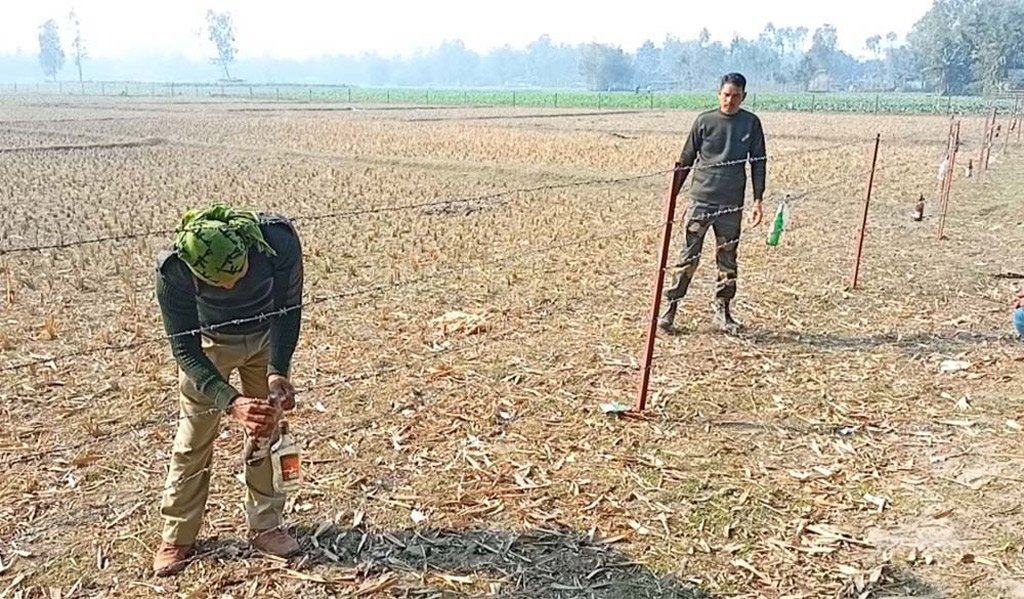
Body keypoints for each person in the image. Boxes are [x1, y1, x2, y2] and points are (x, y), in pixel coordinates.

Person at [151, 203, 304, 576]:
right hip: (208, 344)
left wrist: (277, 372)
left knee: (270, 430)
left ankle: (266, 524)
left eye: (239, 274)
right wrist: (230, 402)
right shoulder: (174, 272)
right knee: (193, 440)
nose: (233, 285)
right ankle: (177, 535)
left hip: (266, 334)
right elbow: (185, 349)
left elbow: (288, 308)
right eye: (221, 282)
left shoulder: (276, 241)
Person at [659, 72, 766, 334]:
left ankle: (723, 311)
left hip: (731, 204)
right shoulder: (704, 121)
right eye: (726, 95)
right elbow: (685, 159)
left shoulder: (750, 124)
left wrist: (758, 200)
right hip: (701, 201)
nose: (730, 101)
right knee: (688, 256)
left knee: (727, 259)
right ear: (719, 93)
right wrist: (673, 196)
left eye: (736, 96)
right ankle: (670, 309)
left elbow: (759, 163)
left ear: (744, 97)